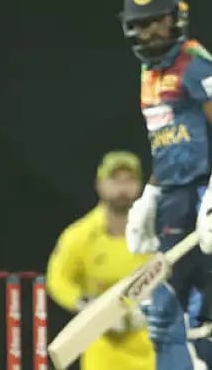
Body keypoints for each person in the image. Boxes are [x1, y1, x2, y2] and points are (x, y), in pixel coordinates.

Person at [119, 0, 212, 370]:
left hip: (201, 196)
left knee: (166, 314)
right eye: (141, 23)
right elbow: (167, 147)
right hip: (172, 199)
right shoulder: (149, 75)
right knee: (183, 317)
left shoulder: (194, 64)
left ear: (176, 18)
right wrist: (148, 199)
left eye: (157, 20)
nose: (150, 31)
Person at [45, 151, 155, 370]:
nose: (122, 188)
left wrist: (150, 309)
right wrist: (86, 305)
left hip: (152, 354)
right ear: (99, 184)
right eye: (115, 180)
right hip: (102, 357)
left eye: (129, 180)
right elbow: (57, 279)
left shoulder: (155, 233)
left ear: (140, 186)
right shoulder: (80, 236)